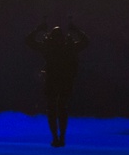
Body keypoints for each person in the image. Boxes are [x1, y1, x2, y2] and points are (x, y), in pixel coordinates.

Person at [26, 18, 89, 147]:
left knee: (54, 110)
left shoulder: (49, 47)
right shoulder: (68, 47)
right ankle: (60, 137)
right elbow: (86, 42)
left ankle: (57, 137)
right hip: (63, 81)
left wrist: (38, 29)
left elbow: (29, 41)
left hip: (54, 81)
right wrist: (76, 30)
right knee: (61, 109)